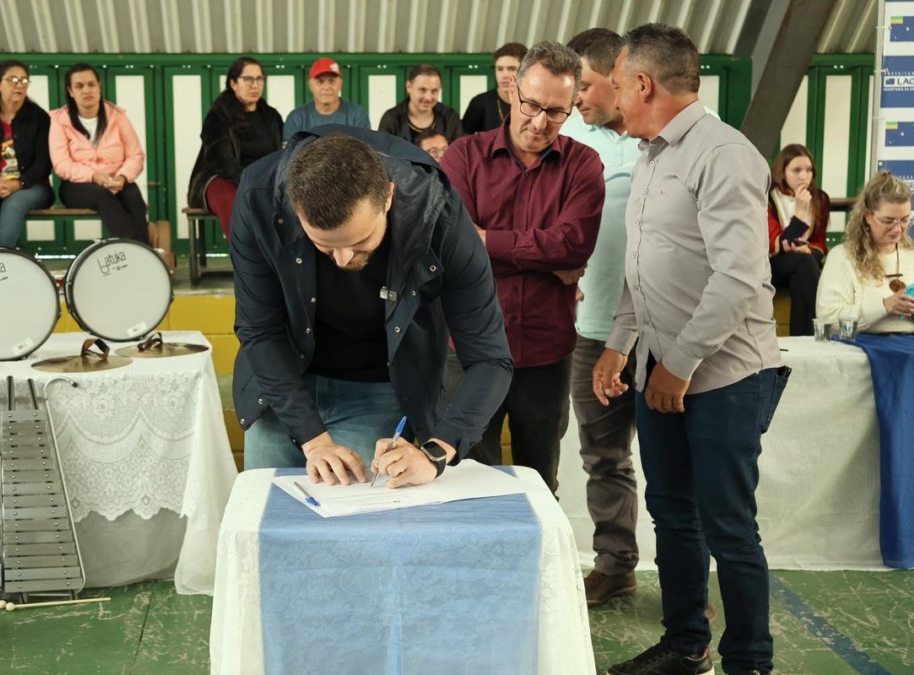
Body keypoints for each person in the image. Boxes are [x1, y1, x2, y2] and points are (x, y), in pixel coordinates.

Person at [594, 24, 784, 675]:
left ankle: (749, 661)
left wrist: (678, 364)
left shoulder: (722, 154)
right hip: (659, 371)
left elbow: (737, 279)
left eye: (618, 84)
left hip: (723, 376)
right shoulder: (650, 155)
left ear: (643, 83)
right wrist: (619, 346)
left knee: (727, 522)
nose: (615, 96)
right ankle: (684, 643)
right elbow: (643, 267)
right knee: (672, 512)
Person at [230, 127, 512, 488]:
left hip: (376, 387)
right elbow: (259, 329)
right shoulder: (260, 196)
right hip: (280, 383)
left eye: (360, 241)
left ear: (389, 197)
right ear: (293, 207)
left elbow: (491, 358)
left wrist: (436, 452)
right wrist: (314, 441)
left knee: (355, 528)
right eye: (324, 246)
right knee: (267, 523)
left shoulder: (440, 218)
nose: (343, 259)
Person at [440, 41, 604, 493]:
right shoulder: (462, 157)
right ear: (512, 91)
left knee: (539, 483)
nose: (539, 122)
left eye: (555, 111)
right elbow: (454, 248)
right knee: (467, 482)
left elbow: (574, 245)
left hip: (545, 353)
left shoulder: (584, 165)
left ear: (572, 107)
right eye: (531, 104)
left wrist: (488, 240)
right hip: (468, 351)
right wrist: (546, 261)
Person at [558, 27, 642, 607]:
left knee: (678, 461)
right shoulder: (565, 135)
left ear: (617, 74)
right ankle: (616, 564)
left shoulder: (658, 136)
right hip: (592, 330)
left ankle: (688, 579)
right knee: (603, 457)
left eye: (584, 84)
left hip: (660, 331)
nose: (577, 98)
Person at [49, 62, 149, 245]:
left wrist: (123, 177)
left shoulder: (117, 116)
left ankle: (143, 253)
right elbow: (61, 165)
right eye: (79, 86)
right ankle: (139, 249)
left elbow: (135, 155)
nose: (86, 90)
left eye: (91, 84)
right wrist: (94, 176)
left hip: (116, 179)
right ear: (70, 92)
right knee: (102, 196)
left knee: (133, 196)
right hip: (77, 185)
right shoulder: (58, 120)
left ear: (99, 86)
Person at [816, 171, 914, 331]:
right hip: (860, 348)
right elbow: (827, 318)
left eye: (904, 220)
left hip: (911, 346)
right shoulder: (843, 257)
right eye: (888, 221)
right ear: (867, 215)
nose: (897, 229)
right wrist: (883, 306)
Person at [187, 56, 283, 238]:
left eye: (259, 78)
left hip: (261, 181)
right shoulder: (218, 115)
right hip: (220, 178)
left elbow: (279, 156)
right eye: (247, 79)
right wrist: (253, 186)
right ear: (233, 83)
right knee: (233, 201)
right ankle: (246, 258)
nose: (255, 85)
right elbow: (221, 161)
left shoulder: (271, 117)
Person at [0, 60, 54, 249]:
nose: (19, 85)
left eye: (24, 80)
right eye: (12, 79)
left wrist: (19, 183)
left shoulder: (38, 117)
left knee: (14, 203)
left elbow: (44, 161)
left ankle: (3, 262)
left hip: (33, 186)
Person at [768, 144, 829, 335]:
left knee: (804, 267)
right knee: (804, 263)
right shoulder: (768, 198)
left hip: (801, 264)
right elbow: (779, 243)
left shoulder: (820, 198)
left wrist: (809, 250)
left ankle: (801, 340)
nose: (804, 176)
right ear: (782, 172)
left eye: (809, 170)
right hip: (770, 265)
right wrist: (801, 211)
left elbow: (820, 242)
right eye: (796, 170)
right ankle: (810, 337)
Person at [283, 57, 370, 141]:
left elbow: (366, 152)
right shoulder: (296, 118)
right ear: (310, 85)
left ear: (340, 84)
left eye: (332, 81)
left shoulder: (357, 115)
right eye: (320, 82)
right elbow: (289, 154)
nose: (326, 87)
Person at [378, 64, 463, 144]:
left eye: (434, 91)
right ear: (408, 87)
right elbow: (381, 154)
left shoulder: (449, 117)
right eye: (422, 90)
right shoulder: (392, 119)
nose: (428, 97)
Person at [461, 42, 527, 134]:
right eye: (500, 69)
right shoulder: (480, 103)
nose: (504, 75)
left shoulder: (534, 102)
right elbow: (463, 140)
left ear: (525, 70)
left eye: (511, 69)